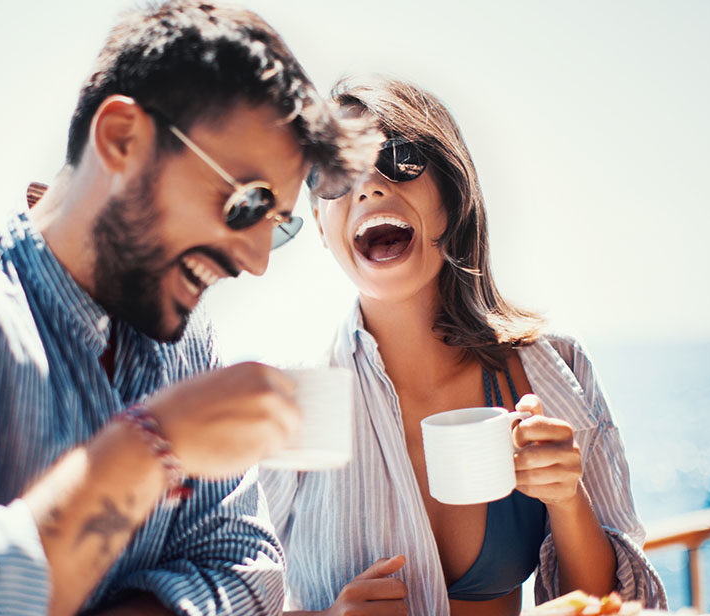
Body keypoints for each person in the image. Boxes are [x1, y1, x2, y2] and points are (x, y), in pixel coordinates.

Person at [0, 3, 379, 614]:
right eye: (248, 202)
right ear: (121, 138)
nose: (257, 258)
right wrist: (148, 448)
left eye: (279, 225)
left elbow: (250, 573)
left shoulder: (187, 351)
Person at [262, 75, 667, 616]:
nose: (367, 186)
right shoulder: (289, 402)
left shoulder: (553, 370)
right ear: (318, 220)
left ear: (451, 196)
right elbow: (223, 598)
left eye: (398, 158)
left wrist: (567, 498)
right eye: (334, 174)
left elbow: (605, 605)